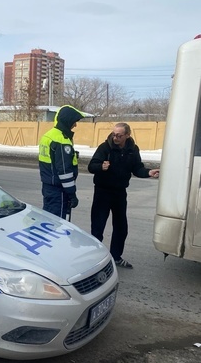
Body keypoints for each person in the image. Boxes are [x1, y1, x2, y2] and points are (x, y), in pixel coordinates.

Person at [88, 122, 160, 269]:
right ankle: (95, 259)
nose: (115, 137)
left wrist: (148, 173)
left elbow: (137, 168)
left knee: (121, 227)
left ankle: (115, 257)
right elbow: (91, 166)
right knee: (98, 226)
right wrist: (100, 167)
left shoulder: (132, 150)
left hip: (120, 193)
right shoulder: (105, 148)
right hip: (103, 192)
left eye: (119, 135)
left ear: (127, 135)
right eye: (114, 134)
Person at [38, 105, 85, 218]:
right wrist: (72, 194)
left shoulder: (49, 135)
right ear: (67, 121)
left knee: (48, 220)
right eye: (74, 122)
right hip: (59, 192)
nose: (75, 125)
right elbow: (64, 171)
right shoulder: (61, 140)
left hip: (48, 187)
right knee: (58, 225)